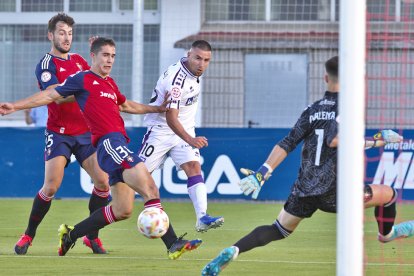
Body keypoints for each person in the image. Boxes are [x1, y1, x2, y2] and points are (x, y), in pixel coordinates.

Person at [201, 56, 413, 275]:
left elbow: (287, 142)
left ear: (325, 78)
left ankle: (234, 249)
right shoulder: (348, 106)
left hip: (304, 189)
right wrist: (377, 140)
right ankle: (386, 235)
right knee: (389, 195)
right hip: (336, 192)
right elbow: (334, 139)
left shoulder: (312, 109)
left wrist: (262, 174)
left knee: (278, 229)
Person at [0, 37, 202, 260]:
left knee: (122, 209)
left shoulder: (110, 83)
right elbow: (50, 94)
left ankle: (71, 234)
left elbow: (126, 105)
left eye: (113, 56)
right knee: (150, 187)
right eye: (105, 55)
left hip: (117, 145)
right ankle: (173, 243)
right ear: (93, 56)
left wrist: (158, 108)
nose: (110, 60)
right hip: (108, 144)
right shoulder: (82, 79)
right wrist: (15, 106)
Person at [14, 13, 111, 255]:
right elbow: (54, 95)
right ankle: (28, 235)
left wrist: (97, 58)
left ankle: (92, 236)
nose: (66, 37)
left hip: (85, 133)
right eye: (61, 32)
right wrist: (83, 89)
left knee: (103, 183)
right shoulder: (47, 64)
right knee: (51, 187)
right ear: (51, 35)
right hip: (59, 134)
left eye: (69, 33)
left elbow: (97, 79)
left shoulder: (79, 60)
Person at [139, 40, 224, 232]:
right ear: (188, 55)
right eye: (197, 58)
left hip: (183, 131)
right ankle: (97, 220)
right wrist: (191, 139)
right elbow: (171, 117)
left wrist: (187, 137)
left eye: (206, 60)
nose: (201, 64)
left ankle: (202, 217)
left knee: (194, 167)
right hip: (160, 132)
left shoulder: (194, 73)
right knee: (133, 179)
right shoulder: (177, 81)